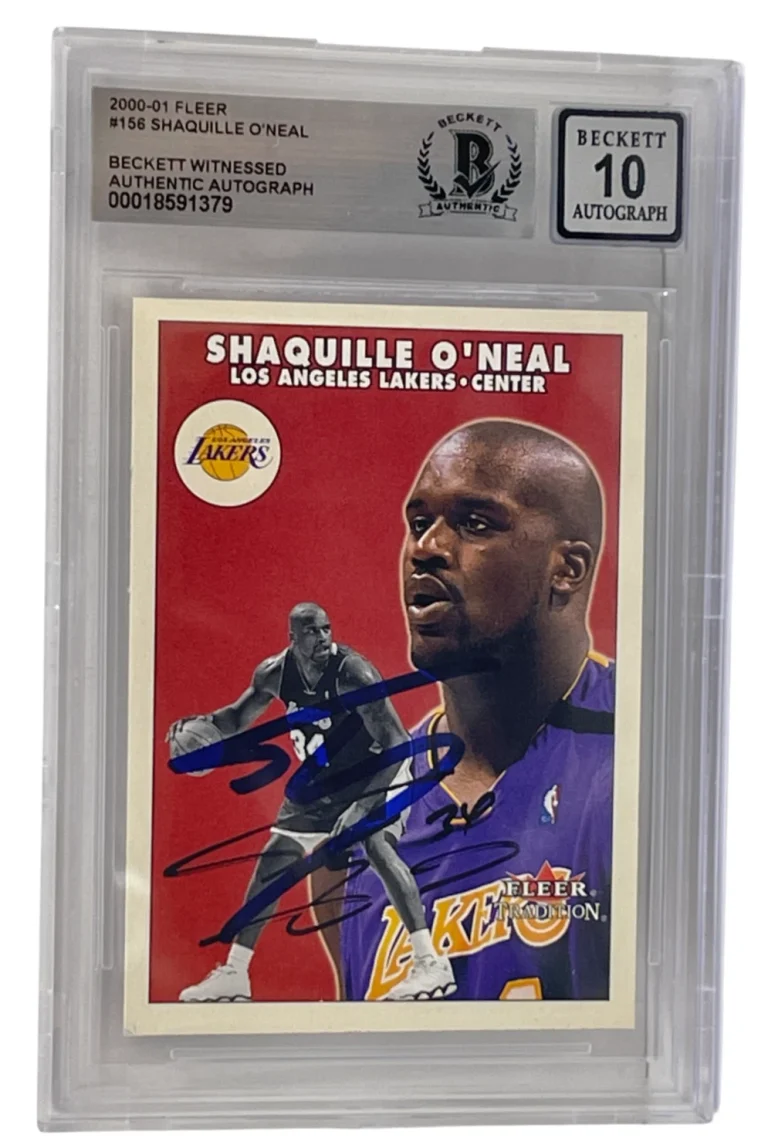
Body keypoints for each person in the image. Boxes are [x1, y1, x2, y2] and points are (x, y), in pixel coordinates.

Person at [340, 420, 615, 1001]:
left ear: (567, 569)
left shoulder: (649, 757)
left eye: (475, 523)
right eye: (420, 523)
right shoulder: (361, 817)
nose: (426, 548)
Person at [171, 602, 455, 1002]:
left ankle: (430, 964)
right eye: (312, 631)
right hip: (325, 780)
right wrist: (203, 730)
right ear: (293, 638)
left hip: (379, 770)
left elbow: (397, 743)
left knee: (375, 842)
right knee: (274, 862)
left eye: (326, 629)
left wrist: (361, 808)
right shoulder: (274, 673)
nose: (323, 638)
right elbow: (236, 718)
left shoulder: (353, 673)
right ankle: (234, 973)